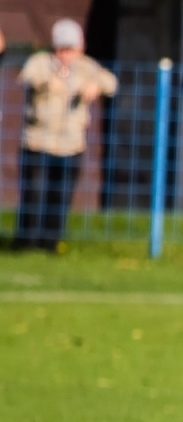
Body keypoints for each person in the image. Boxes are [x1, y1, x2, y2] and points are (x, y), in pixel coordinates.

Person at [15, 19, 117, 251]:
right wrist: (49, 82)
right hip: (38, 142)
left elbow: (111, 82)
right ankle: (26, 245)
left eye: (72, 48)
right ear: (55, 47)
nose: (67, 54)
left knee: (60, 198)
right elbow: (27, 76)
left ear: (80, 48)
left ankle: (51, 245)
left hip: (71, 145)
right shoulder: (41, 63)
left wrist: (95, 86)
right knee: (34, 195)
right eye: (63, 48)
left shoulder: (86, 67)